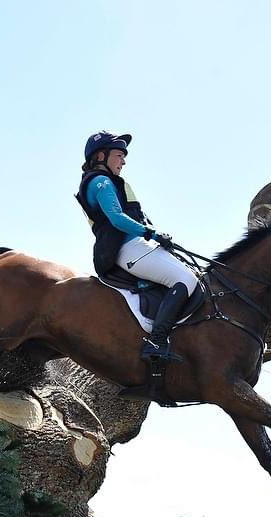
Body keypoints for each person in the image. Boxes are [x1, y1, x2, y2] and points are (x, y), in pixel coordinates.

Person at [75, 131, 198, 363]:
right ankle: (156, 341)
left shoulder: (111, 181)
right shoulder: (100, 182)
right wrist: (152, 233)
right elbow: (117, 218)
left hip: (139, 246)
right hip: (128, 249)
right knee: (185, 280)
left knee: (193, 272)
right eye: (119, 155)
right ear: (101, 155)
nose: (123, 161)